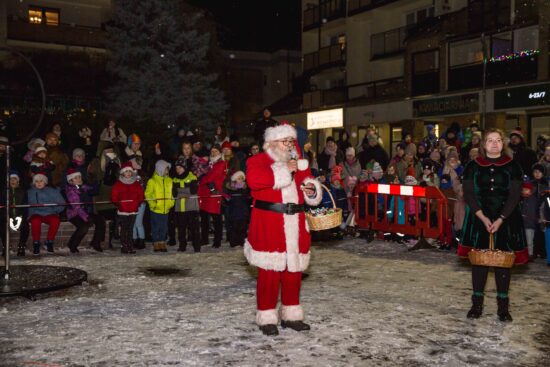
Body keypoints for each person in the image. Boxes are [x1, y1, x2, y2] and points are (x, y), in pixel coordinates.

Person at [245, 123, 322, 336]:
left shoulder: (298, 163)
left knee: (293, 271)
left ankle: (291, 315)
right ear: (271, 143)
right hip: (270, 222)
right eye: (284, 141)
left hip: (296, 222)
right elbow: (255, 181)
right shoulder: (257, 161)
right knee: (269, 273)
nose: (289, 145)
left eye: (290, 141)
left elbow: (307, 183)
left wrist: (310, 189)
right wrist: (284, 170)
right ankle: (267, 317)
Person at [458, 128, 528, 322]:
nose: (494, 144)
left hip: (506, 219)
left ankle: (503, 308)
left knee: (502, 263)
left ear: (503, 144)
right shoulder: (473, 166)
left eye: (498, 140)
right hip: (478, 219)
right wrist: (481, 216)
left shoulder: (513, 166)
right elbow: (469, 194)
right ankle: (477, 305)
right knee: (479, 261)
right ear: (484, 144)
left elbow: (515, 195)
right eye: (490, 140)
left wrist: (500, 219)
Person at [64, 169, 105, 253]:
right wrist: (86, 217)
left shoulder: (82, 187)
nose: (79, 179)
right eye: (76, 178)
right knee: (83, 227)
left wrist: (94, 181)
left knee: (100, 219)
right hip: (74, 214)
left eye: (79, 177)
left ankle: (96, 242)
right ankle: (72, 244)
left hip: (84, 212)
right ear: (71, 181)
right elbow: (77, 207)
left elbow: (94, 190)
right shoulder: (71, 191)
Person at [27, 173, 66, 254]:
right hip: (36, 213)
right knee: (35, 221)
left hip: (50, 213)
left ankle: (49, 241)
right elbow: (28, 205)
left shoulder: (52, 191)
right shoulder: (30, 192)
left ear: (45, 182)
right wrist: (29, 214)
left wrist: (55, 210)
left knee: (55, 221)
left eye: (41, 181)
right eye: (36, 181)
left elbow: (61, 203)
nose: (39, 183)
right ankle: (36, 243)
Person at [111, 162, 145, 254]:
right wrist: (119, 204)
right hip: (123, 210)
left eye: (130, 171)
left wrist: (138, 203)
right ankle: (124, 245)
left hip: (133, 210)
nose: (128, 173)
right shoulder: (118, 184)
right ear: (122, 173)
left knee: (131, 228)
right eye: (126, 171)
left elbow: (141, 195)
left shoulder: (136, 183)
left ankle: (130, 245)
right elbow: (114, 197)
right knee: (124, 228)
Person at [198, 145, 227, 247]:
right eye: (212, 151)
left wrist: (202, 179)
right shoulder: (208, 164)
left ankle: (217, 240)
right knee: (204, 218)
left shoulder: (221, 163)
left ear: (219, 153)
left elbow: (212, 176)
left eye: (215, 151)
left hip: (214, 193)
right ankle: (204, 239)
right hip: (205, 193)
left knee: (216, 218)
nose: (213, 153)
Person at [145, 160, 174, 252]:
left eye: (168, 169)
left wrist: (171, 203)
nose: (167, 171)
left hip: (166, 209)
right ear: (160, 169)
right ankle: (156, 242)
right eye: (166, 169)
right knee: (156, 227)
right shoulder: (152, 181)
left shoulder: (170, 180)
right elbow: (148, 194)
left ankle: (162, 242)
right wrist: (153, 205)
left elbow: (172, 194)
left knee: (164, 227)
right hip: (156, 209)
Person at [172, 157, 200, 252]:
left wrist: (181, 191)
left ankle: (197, 247)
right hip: (180, 208)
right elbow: (174, 194)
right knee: (181, 229)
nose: (178, 170)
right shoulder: (175, 179)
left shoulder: (192, 177)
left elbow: (193, 191)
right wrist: (184, 192)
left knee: (194, 229)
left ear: (185, 167)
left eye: (180, 167)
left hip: (191, 207)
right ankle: (182, 246)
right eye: (176, 168)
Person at [0, 171, 29, 257]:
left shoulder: (22, 191)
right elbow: (2, 206)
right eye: (10, 179)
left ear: (18, 181)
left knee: (25, 225)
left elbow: (25, 206)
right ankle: (6, 246)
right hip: (7, 215)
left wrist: (21, 217)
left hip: (19, 215)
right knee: (2, 224)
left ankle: (21, 245)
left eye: (15, 179)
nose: (12, 181)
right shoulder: (3, 191)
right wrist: (7, 217)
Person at [224, 170, 250, 247]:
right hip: (233, 210)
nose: (241, 180)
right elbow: (227, 198)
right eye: (239, 178)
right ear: (235, 179)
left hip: (243, 210)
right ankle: (234, 241)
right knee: (234, 227)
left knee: (243, 226)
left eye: (242, 178)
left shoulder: (245, 188)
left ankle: (242, 241)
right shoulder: (230, 188)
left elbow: (248, 197)